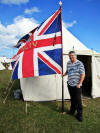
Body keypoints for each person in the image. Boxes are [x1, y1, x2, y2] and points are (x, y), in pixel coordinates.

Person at [62, 51, 85, 122]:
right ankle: (72, 111)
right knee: (72, 99)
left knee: (78, 100)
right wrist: (64, 74)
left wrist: (79, 84)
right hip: (70, 84)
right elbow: (68, 71)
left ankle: (79, 115)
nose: (71, 57)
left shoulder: (79, 63)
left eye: (72, 55)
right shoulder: (68, 63)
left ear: (75, 56)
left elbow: (83, 74)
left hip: (77, 85)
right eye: (70, 56)